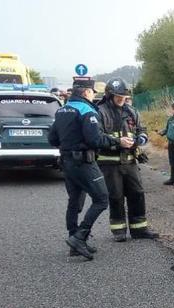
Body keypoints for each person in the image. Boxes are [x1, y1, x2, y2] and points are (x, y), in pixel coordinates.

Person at [48, 76, 124, 260]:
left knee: (74, 201)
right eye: (92, 92)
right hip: (83, 162)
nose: (92, 95)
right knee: (102, 199)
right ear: (87, 92)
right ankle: (80, 237)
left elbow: (52, 139)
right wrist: (117, 141)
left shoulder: (61, 110)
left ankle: (73, 239)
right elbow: (95, 140)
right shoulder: (87, 111)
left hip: (66, 163)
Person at [95, 78, 160, 242]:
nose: (121, 99)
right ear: (109, 95)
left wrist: (140, 140)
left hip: (130, 161)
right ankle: (119, 231)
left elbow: (142, 131)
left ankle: (139, 230)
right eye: (118, 96)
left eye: (123, 97)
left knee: (137, 193)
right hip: (110, 163)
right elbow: (97, 137)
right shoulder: (99, 112)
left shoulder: (131, 112)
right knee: (116, 196)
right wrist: (119, 142)